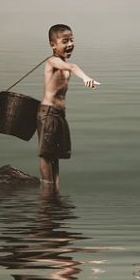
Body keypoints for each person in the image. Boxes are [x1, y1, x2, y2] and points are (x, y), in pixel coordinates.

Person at [38, 24, 99, 189]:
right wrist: (86, 78)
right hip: (48, 113)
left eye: (72, 40)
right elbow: (73, 67)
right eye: (65, 41)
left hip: (59, 114)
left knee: (55, 154)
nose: (70, 44)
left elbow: (70, 67)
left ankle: (55, 187)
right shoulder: (53, 61)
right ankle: (47, 188)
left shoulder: (62, 62)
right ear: (53, 45)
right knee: (46, 155)